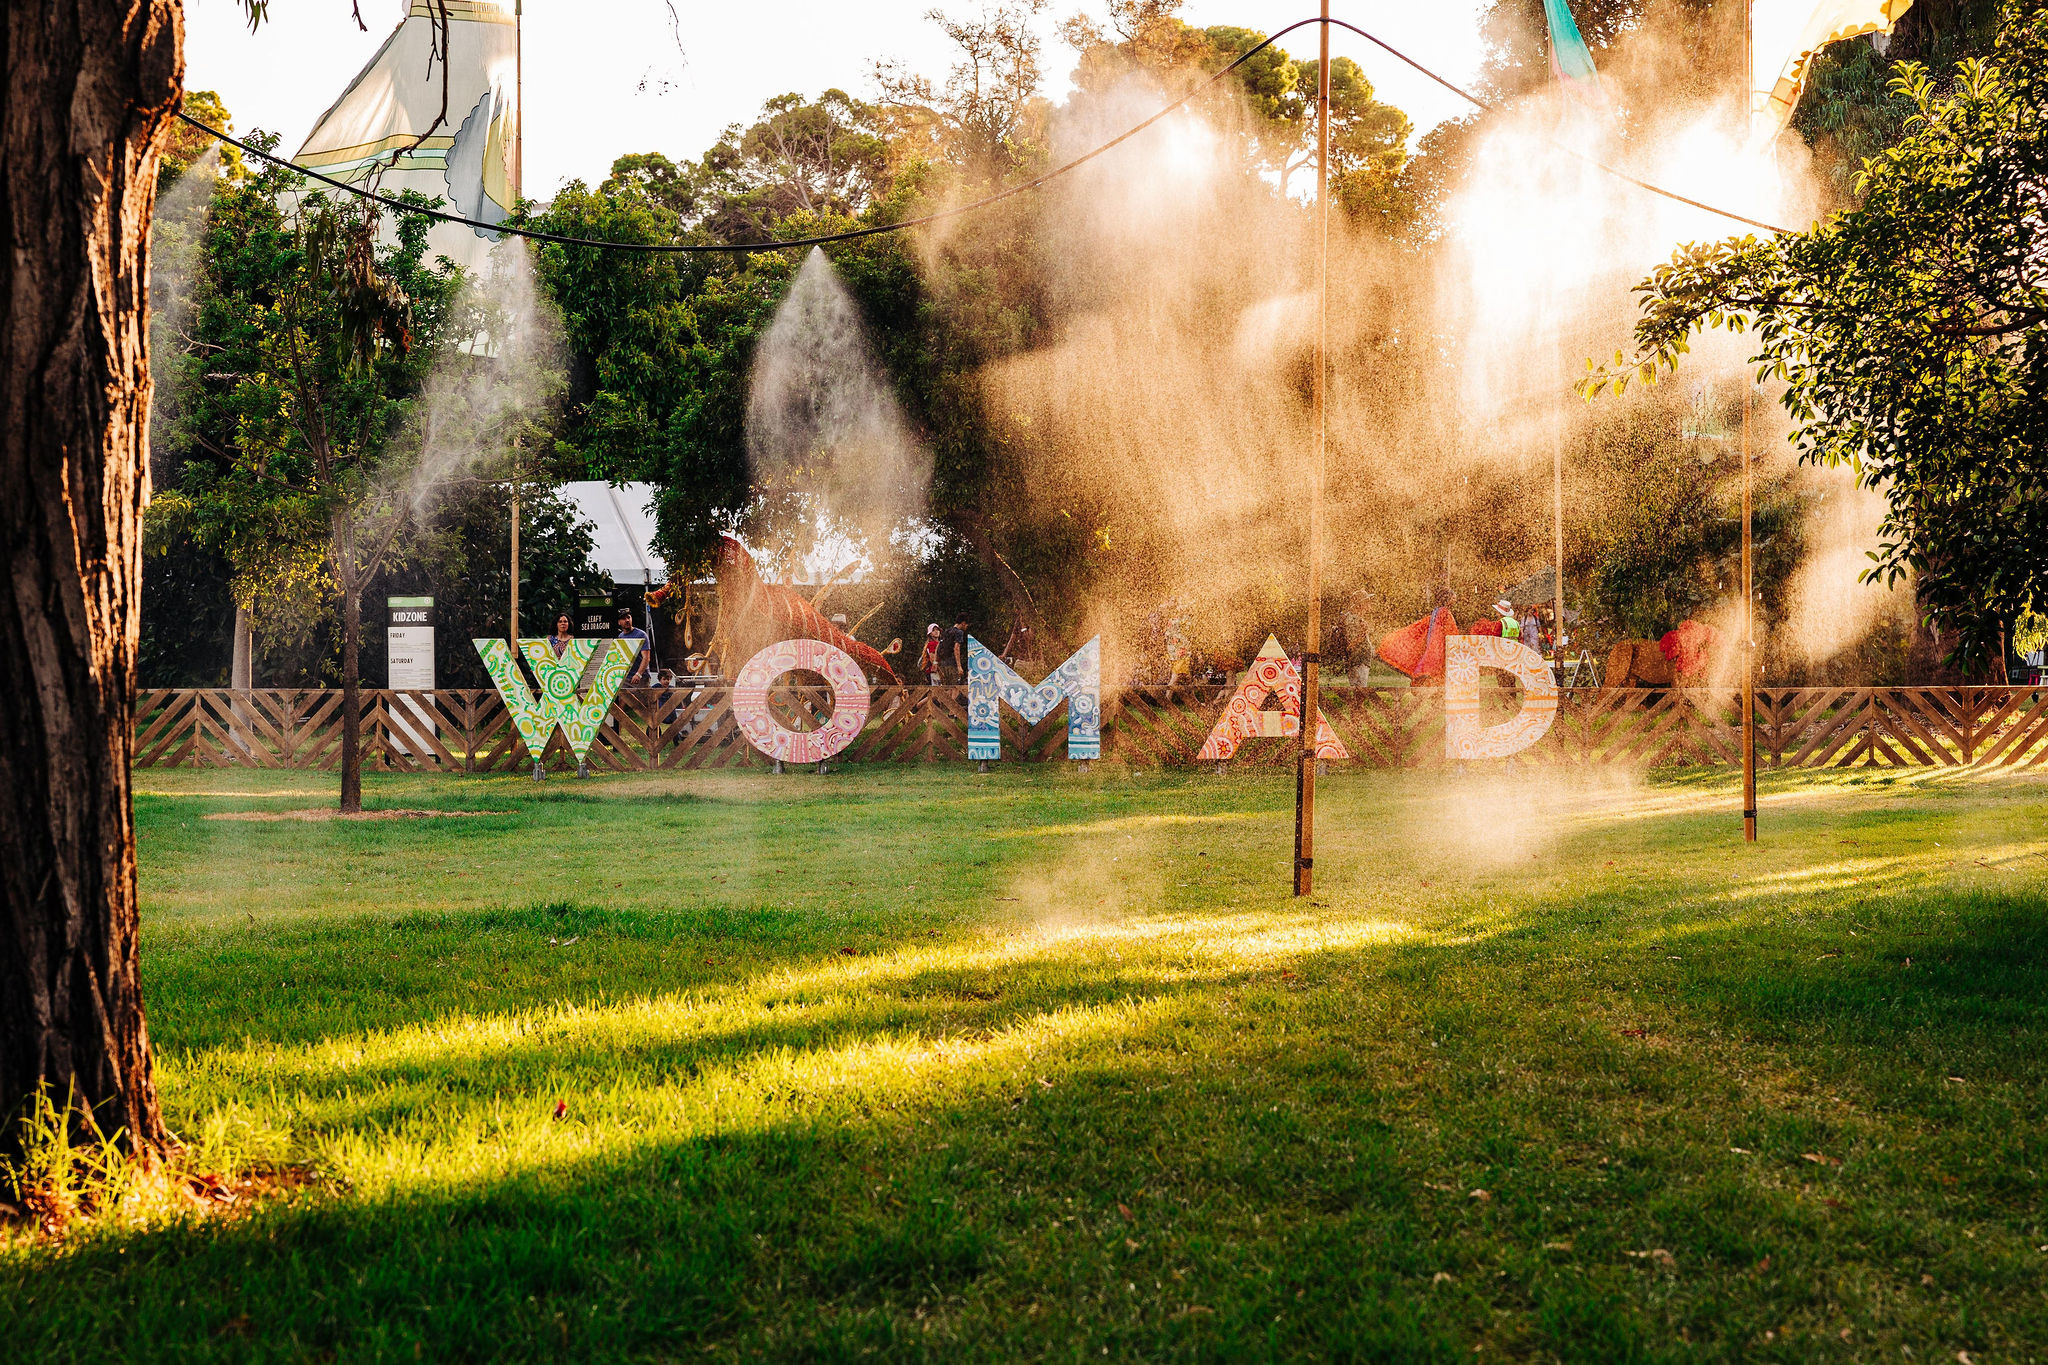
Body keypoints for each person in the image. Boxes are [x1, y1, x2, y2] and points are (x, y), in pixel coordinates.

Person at [616, 607, 652, 686]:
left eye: (628, 617)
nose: (627, 620)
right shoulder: (620, 636)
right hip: (625, 678)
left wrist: (638, 674)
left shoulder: (641, 635)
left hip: (641, 678)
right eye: (623, 618)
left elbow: (646, 658)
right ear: (619, 622)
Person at [941, 614, 970, 684]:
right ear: (963, 623)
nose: (967, 626)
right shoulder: (959, 632)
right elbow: (956, 648)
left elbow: (939, 646)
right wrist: (959, 666)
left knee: (946, 687)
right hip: (953, 664)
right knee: (955, 687)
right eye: (966, 624)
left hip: (943, 664)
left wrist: (936, 662)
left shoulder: (947, 631)